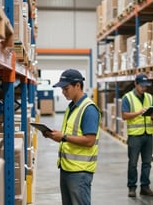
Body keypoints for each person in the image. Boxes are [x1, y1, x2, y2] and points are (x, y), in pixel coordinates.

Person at [44, 69, 101, 205]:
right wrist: (54, 136)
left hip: (79, 172)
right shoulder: (71, 107)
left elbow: (89, 141)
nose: (63, 92)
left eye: (66, 88)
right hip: (67, 168)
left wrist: (63, 137)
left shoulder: (89, 109)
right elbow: (70, 134)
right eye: (62, 89)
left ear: (78, 86)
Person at [121, 73, 153, 197]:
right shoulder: (128, 97)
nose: (144, 88)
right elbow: (124, 116)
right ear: (136, 84)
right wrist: (138, 113)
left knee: (147, 163)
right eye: (142, 86)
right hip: (135, 136)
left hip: (148, 135)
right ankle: (132, 187)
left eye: (146, 86)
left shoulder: (150, 97)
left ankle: (145, 187)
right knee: (133, 163)